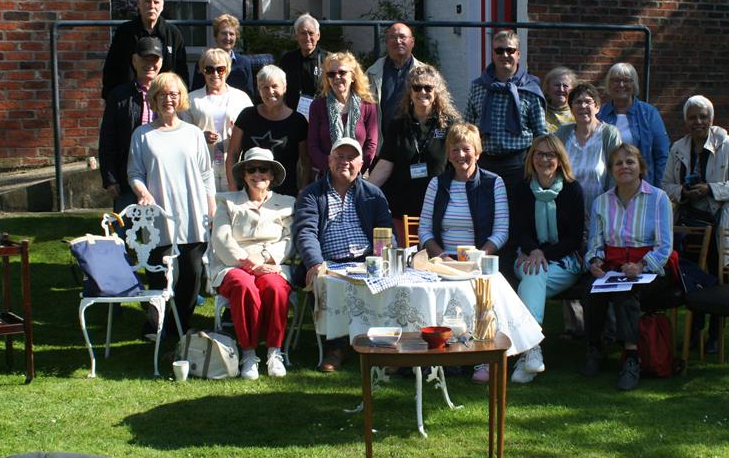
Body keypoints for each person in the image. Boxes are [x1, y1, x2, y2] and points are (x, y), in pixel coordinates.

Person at [662, 94, 729, 353]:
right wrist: (683, 192)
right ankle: (694, 332)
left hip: (718, 222)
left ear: (711, 119)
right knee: (691, 278)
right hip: (689, 224)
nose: (698, 122)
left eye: (703, 117)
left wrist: (711, 189)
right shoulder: (678, 147)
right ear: (685, 121)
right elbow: (666, 185)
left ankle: (715, 334)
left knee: (718, 277)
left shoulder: (727, 145)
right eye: (692, 117)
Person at [417, 122, 508, 384]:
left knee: (479, 292)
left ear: (477, 152)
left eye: (466, 149)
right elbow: (424, 230)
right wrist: (441, 255)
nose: (460, 155)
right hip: (443, 262)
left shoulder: (494, 183)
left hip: (478, 262)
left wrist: (477, 257)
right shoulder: (437, 184)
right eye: (454, 149)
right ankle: (443, 356)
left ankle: (482, 357)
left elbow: (501, 231)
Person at [294, 137, 394, 372]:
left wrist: (383, 259)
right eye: (340, 157)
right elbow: (305, 232)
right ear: (329, 161)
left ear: (361, 164)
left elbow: (384, 230)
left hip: (366, 260)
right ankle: (336, 348)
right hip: (329, 262)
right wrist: (315, 263)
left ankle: (382, 347)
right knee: (325, 282)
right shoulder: (311, 194)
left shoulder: (373, 194)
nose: (345, 162)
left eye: (351, 158)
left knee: (387, 283)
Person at [579, 143, 674, 391]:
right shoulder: (601, 202)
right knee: (589, 291)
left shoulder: (658, 198)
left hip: (650, 271)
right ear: (611, 170)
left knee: (626, 294)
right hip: (613, 267)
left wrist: (642, 266)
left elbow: (664, 246)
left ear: (641, 167)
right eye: (618, 163)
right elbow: (595, 242)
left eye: (630, 161)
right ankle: (594, 347)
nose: (624, 167)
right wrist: (595, 261)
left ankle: (631, 358)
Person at [127, 72, 214, 335]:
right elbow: (135, 173)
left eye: (174, 94)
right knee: (160, 275)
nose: (169, 99)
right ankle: (157, 324)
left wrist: (210, 206)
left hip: (192, 213)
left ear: (181, 98)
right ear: (154, 98)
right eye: (163, 94)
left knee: (191, 275)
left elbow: (206, 173)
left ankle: (181, 325)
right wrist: (142, 192)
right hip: (158, 216)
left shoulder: (193, 134)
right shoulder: (142, 135)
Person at [210, 147, 295, 380]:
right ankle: (248, 353)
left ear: (273, 175)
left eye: (263, 169)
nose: (258, 174)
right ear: (244, 175)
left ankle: (274, 352)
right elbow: (221, 238)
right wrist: (248, 263)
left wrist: (266, 257)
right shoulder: (227, 202)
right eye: (251, 169)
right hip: (234, 264)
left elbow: (290, 240)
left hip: (271, 263)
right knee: (243, 286)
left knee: (276, 288)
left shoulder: (287, 203)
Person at [510, 134, 585, 383]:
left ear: (560, 159)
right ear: (532, 159)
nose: (544, 159)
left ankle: (528, 351)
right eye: (539, 154)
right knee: (534, 272)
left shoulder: (573, 189)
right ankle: (532, 350)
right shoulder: (522, 189)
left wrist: (544, 254)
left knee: (533, 277)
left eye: (550, 154)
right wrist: (535, 251)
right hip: (529, 255)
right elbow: (519, 230)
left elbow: (574, 237)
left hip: (564, 260)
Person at [554, 82, 622, 339]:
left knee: (601, 265)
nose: (583, 106)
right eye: (577, 102)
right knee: (571, 263)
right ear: (570, 107)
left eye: (588, 101)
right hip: (569, 212)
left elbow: (616, 172)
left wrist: (608, 210)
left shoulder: (609, 134)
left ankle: (610, 327)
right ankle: (575, 326)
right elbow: (555, 172)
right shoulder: (563, 134)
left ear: (597, 106)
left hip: (602, 211)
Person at [368, 64, 460, 243]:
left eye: (428, 87)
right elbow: (385, 165)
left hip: (438, 209)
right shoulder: (398, 124)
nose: (422, 92)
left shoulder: (451, 125)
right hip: (402, 209)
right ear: (410, 92)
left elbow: (458, 166)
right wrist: (363, 192)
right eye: (417, 87)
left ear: (437, 92)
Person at [464, 30, 546, 200]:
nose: (505, 55)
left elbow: (540, 134)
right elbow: (468, 129)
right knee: (485, 217)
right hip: (484, 163)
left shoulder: (530, 88)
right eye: (499, 51)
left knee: (516, 218)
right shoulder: (479, 86)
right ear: (492, 54)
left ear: (518, 54)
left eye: (510, 50)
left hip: (519, 165)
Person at [99, 37, 162, 214]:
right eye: (144, 59)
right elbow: (108, 138)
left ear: (161, 62)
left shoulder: (170, 95)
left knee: (159, 236)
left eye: (154, 59)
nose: (149, 64)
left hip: (160, 178)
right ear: (134, 61)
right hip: (126, 177)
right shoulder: (119, 96)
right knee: (123, 235)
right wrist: (110, 178)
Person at [228, 65, 310, 197]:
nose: (270, 91)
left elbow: (306, 162)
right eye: (264, 87)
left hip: (285, 196)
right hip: (248, 194)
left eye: (274, 86)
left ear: (285, 88)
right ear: (259, 90)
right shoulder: (247, 115)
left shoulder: (298, 121)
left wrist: (303, 190)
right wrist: (233, 188)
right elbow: (233, 153)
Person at [181, 48, 253, 192]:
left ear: (227, 70)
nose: (215, 74)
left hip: (234, 166)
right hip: (202, 166)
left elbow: (253, 131)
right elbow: (181, 133)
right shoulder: (191, 99)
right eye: (209, 69)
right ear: (202, 70)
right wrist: (200, 136)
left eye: (220, 69)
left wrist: (238, 135)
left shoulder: (241, 98)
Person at [102, 0, 188, 100]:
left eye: (156, 2)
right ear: (139, 4)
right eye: (147, 1)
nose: (152, 6)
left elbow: (181, 71)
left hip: (164, 100)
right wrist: (112, 98)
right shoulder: (125, 32)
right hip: (129, 100)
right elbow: (112, 68)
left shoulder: (173, 34)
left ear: (162, 6)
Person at [597, 62, 669, 188]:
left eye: (626, 80)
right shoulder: (600, 114)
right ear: (609, 84)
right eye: (615, 80)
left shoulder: (649, 113)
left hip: (643, 184)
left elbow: (662, 154)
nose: (621, 85)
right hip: (607, 185)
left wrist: (659, 189)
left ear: (634, 83)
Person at [306, 52, 378, 174]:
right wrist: (333, 169)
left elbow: (371, 145)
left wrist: (355, 170)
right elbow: (313, 145)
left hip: (357, 175)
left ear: (353, 76)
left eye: (342, 72)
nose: (337, 77)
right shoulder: (317, 106)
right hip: (327, 175)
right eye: (331, 74)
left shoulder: (368, 106)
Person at [366, 22, 425, 148]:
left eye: (402, 37)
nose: (398, 41)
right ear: (387, 42)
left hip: (414, 146)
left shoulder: (426, 74)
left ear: (412, 42)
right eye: (393, 37)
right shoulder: (372, 73)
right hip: (381, 147)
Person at [190, 14, 254, 99]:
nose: (228, 38)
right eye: (224, 33)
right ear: (216, 36)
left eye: (231, 34)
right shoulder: (205, 61)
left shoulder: (244, 63)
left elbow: (249, 95)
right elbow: (196, 92)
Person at [279, 13, 327, 113]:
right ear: (296, 36)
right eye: (303, 33)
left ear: (318, 36)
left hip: (321, 114)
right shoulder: (287, 59)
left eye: (311, 33)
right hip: (292, 114)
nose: (307, 37)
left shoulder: (328, 60)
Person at [542, 66, 577, 132]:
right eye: (557, 85)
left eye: (565, 86)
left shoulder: (577, 112)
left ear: (572, 90)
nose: (561, 89)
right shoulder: (540, 110)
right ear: (547, 88)